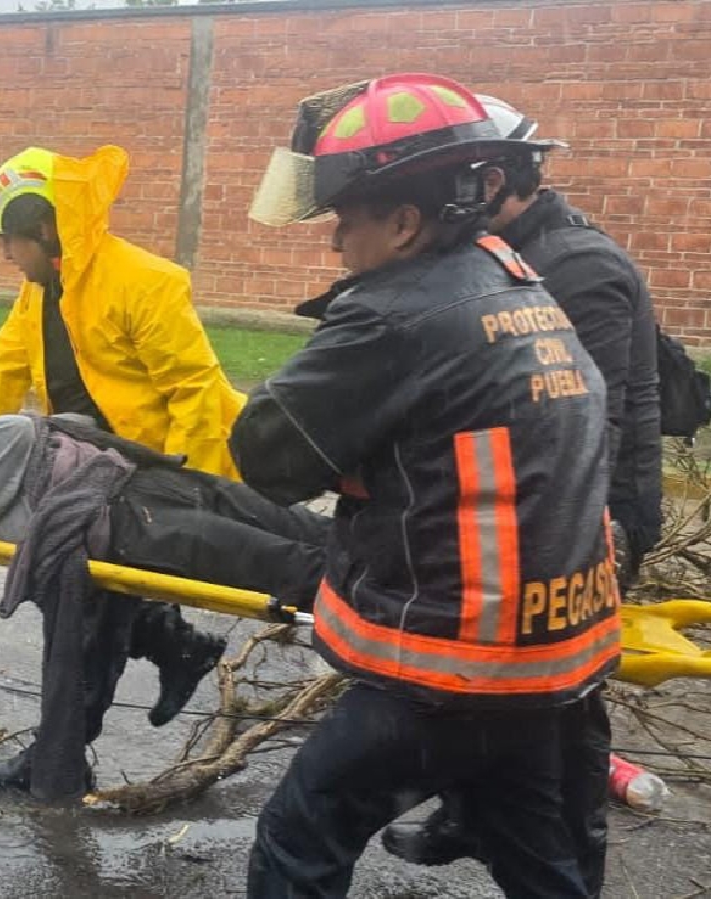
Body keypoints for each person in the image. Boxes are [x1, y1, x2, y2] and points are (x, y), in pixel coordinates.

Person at [234, 74, 619, 898]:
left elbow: (267, 456)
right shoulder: (510, 275)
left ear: (405, 222)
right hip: (541, 656)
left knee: (300, 834)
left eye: (347, 216)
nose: (336, 239)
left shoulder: (396, 312)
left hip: (455, 664)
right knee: (533, 850)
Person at [381, 94, 662, 898]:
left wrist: (595, 536)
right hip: (531, 509)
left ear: (497, 179)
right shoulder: (504, 255)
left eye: (457, 181)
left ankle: (578, 867)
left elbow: (588, 421)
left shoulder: (580, 267)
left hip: (594, 516)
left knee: (565, 703)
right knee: (491, 682)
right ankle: (472, 815)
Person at [0, 413, 329, 793]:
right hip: (129, 516)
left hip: (140, 492)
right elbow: (15, 429)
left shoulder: (8, 481)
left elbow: (72, 420)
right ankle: (378, 593)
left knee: (291, 526)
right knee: (281, 563)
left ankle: (180, 650)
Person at [0, 145, 245, 478]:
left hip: (162, 471)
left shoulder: (146, 281)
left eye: (7, 240)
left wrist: (184, 489)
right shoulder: (38, 291)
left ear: (44, 229)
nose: (5, 254)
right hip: (96, 470)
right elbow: (3, 374)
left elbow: (195, 392)